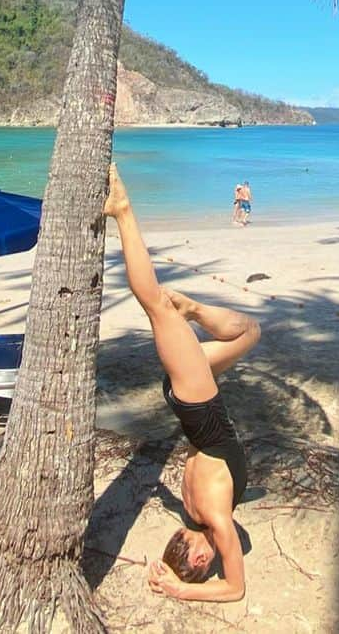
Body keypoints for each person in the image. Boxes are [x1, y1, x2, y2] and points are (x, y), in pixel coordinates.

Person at [104, 165, 258, 603]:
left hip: (198, 404)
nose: (213, 563)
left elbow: (234, 590)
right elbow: (231, 584)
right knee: (249, 333)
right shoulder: (195, 510)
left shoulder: (207, 512)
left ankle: (123, 211)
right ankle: (191, 308)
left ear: (195, 560)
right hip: (192, 402)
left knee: (155, 305)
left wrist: (178, 587)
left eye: (201, 566)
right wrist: (172, 574)